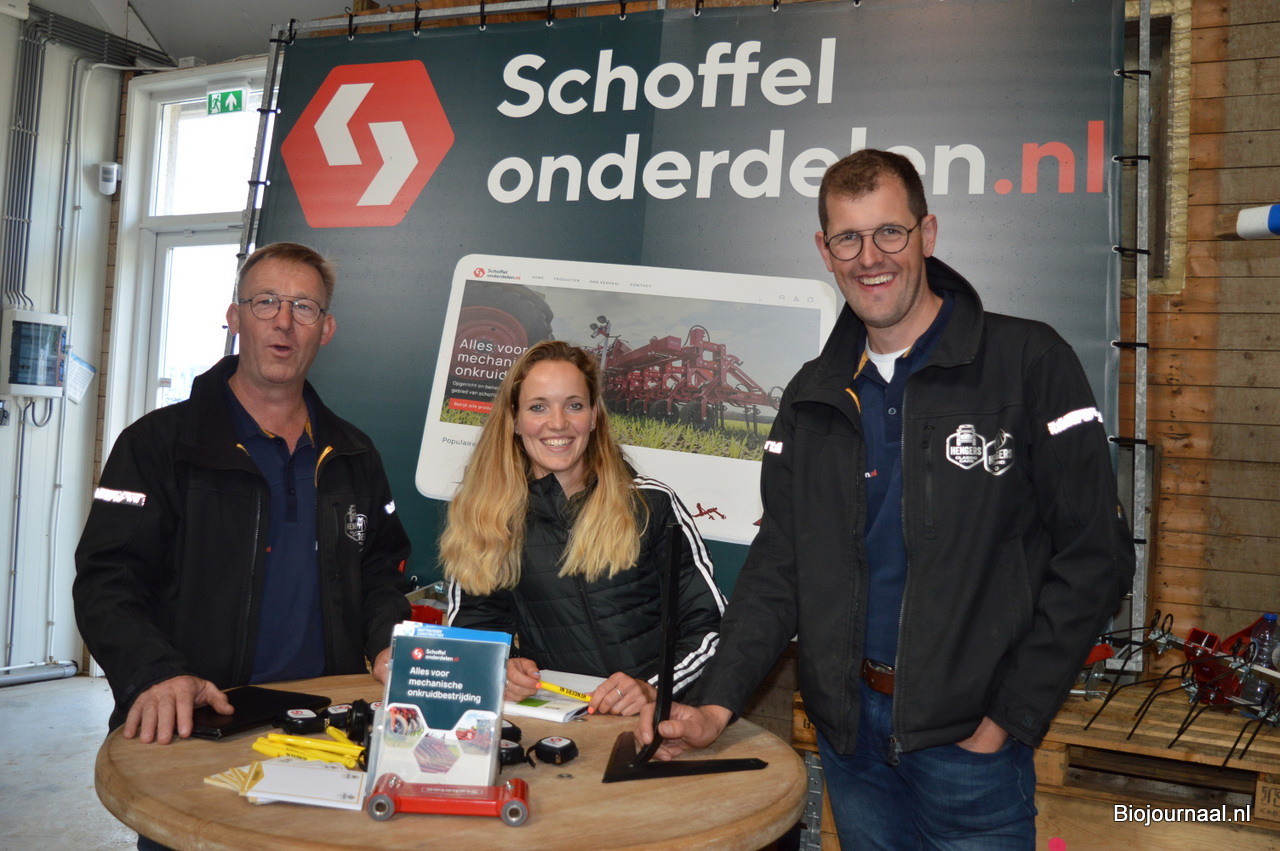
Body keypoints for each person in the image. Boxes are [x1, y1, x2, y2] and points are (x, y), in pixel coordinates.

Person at [637, 150, 1135, 849]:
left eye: (889, 232)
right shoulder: (812, 395)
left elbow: (1096, 557)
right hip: (852, 746)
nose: (870, 257)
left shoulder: (1029, 363)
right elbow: (780, 565)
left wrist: (1008, 718)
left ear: (927, 234)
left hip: (970, 749)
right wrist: (716, 702)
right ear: (825, 250)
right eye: (849, 238)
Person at [74, 241, 412, 747]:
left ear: (326, 329)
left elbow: (381, 571)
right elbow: (107, 580)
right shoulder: (156, 445)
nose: (284, 322)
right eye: (266, 302)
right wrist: (155, 672)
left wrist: (388, 643)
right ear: (235, 318)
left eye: (304, 307)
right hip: (197, 716)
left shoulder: (354, 453)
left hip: (327, 722)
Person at [443, 340, 725, 716]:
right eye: (538, 407)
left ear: (594, 416)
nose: (558, 423)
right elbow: (473, 630)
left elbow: (709, 627)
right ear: (514, 419)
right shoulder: (487, 515)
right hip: (557, 724)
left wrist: (652, 689)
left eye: (574, 405)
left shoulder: (651, 504)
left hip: (654, 723)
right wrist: (501, 667)